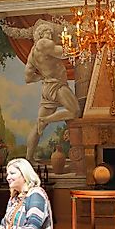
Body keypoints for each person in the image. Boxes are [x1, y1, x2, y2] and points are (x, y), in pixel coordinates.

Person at [24, 22, 79, 161]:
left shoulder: (32, 53)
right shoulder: (44, 43)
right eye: (47, 32)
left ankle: (29, 158)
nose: (50, 34)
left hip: (47, 86)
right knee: (75, 112)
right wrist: (76, 43)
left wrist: (42, 76)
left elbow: (28, 77)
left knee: (37, 127)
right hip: (57, 86)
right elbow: (65, 53)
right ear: (40, 35)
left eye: (50, 32)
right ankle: (45, 120)